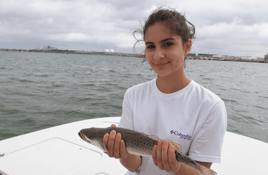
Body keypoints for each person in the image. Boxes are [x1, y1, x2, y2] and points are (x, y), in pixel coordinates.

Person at [102, 8, 227, 175]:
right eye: (151, 46)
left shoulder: (210, 106)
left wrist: (176, 166)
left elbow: (201, 172)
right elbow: (135, 166)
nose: (158, 55)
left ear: (187, 46)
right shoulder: (133, 95)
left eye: (167, 44)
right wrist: (123, 154)